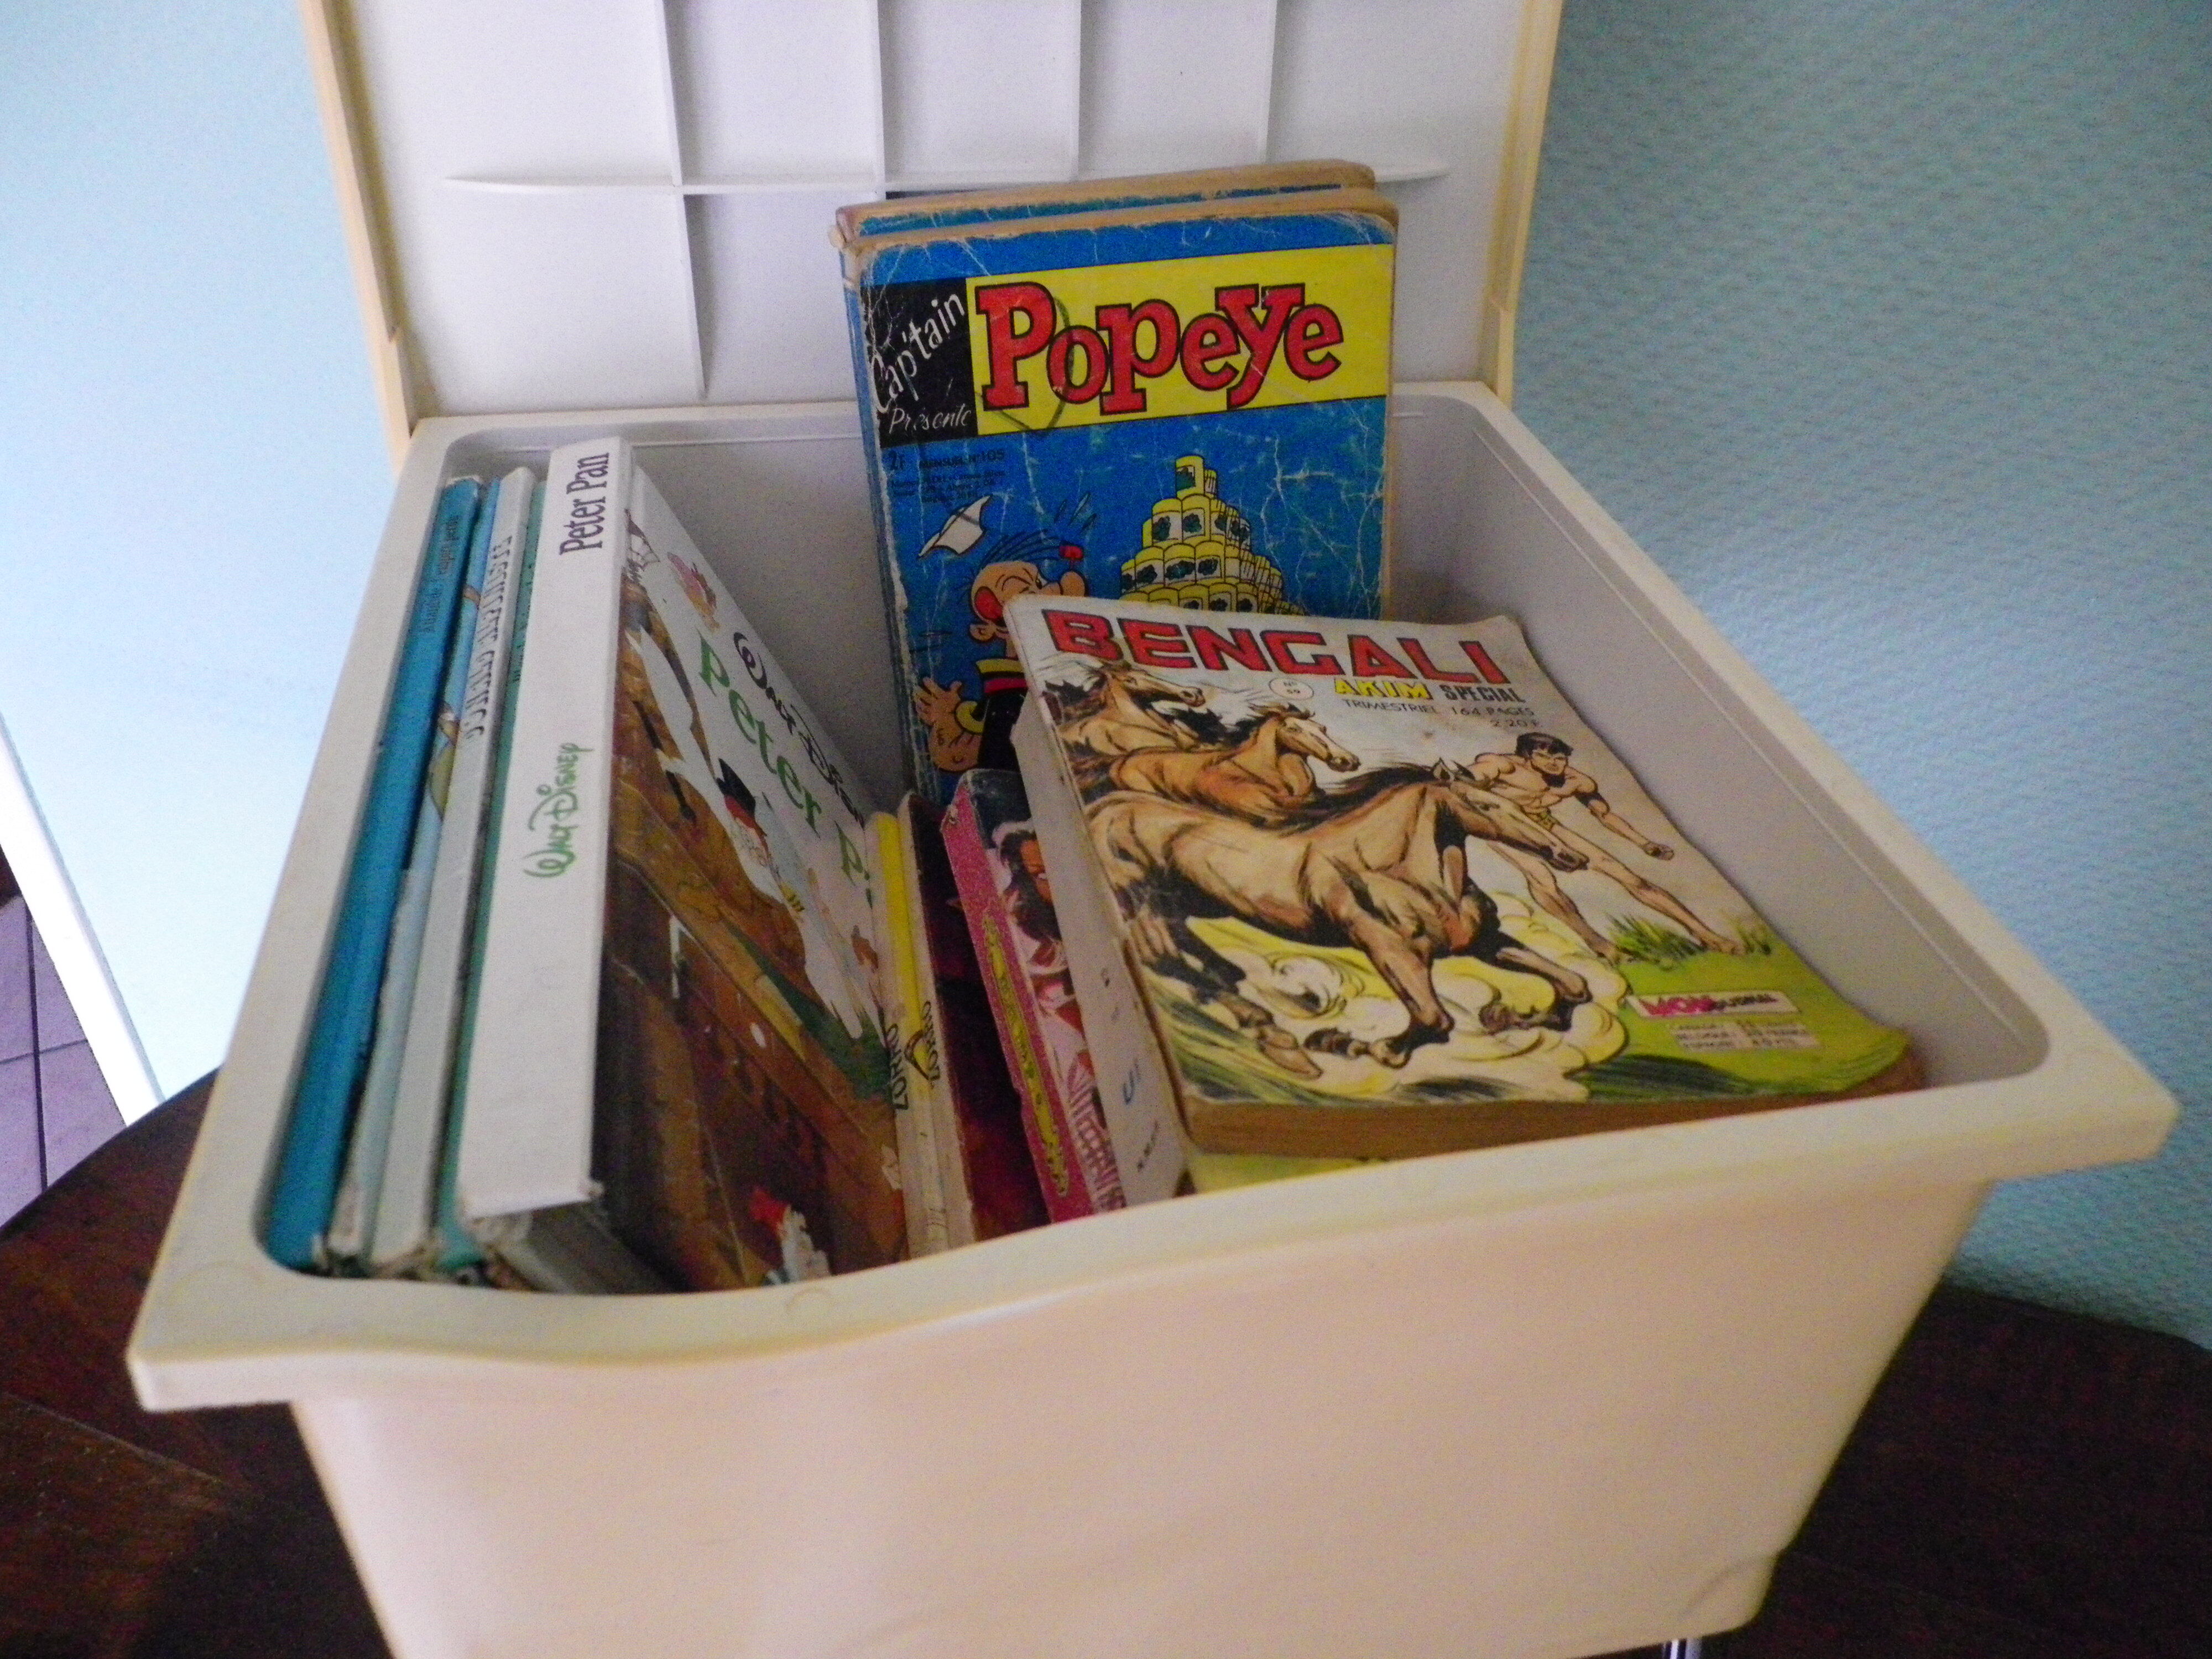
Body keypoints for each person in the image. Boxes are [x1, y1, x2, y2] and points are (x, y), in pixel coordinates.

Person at [1467, 732, 1741, 958]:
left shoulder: (1577, 781)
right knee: (1542, 880)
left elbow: (1604, 815)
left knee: (1628, 877)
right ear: (1527, 757)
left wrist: (1644, 843)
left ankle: (1705, 934)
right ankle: (1600, 945)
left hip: (1547, 823)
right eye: (1544, 756)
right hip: (1508, 828)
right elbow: (1465, 781)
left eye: (1559, 757)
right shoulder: (1503, 765)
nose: (1554, 763)